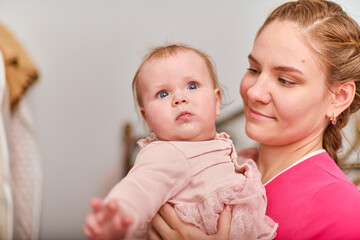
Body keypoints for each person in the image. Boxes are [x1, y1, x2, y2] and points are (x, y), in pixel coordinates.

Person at [147, 0, 360, 239]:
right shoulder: (230, 169)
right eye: (254, 70)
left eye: (285, 80)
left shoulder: (344, 211)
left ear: (339, 98)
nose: (254, 92)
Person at [82, 44, 278, 240]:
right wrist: (120, 214)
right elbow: (140, 187)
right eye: (163, 94)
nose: (179, 98)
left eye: (192, 86)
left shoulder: (216, 147)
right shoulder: (166, 153)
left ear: (216, 100)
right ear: (147, 118)